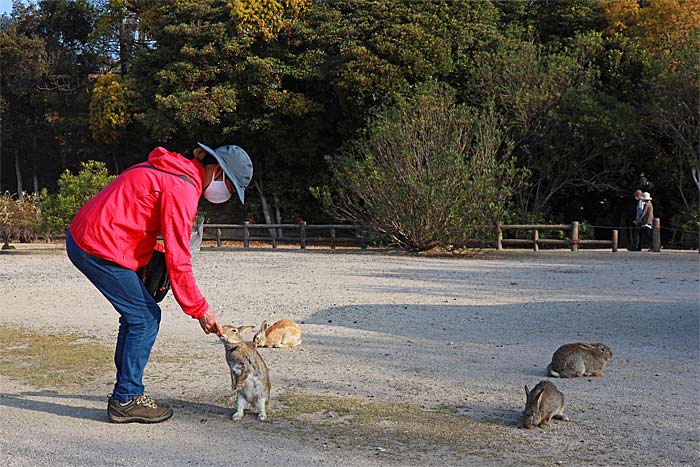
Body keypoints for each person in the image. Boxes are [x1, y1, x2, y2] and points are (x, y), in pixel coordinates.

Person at [66, 143, 253, 423]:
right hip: (96, 246)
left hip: (92, 237)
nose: (225, 194)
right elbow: (180, 258)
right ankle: (126, 398)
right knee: (145, 318)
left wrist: (143, 262)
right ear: (217, 171)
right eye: (229, 186)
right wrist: (200, 309)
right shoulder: (183, 188)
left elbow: (133, 216)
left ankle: (125, 392)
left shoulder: (171, 170)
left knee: (137, 315)